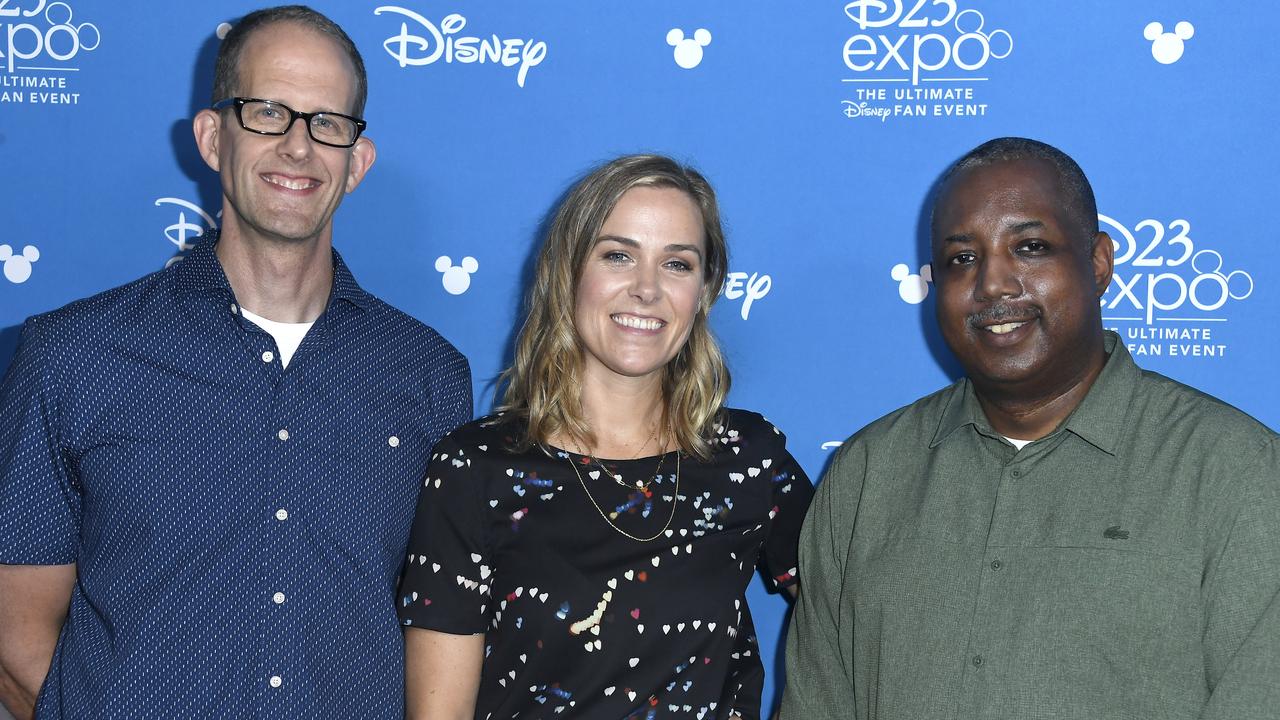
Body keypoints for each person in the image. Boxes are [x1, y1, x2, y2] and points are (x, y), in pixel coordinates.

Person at [0, 6, 471, 718]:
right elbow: (16, 634)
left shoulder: (429, 375)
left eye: (327, 123)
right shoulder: (72, 356)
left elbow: (441, 635)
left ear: (357, 162)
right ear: (212, 137)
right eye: (267, 113)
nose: (298, 146)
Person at [780, 137, 1280, 719]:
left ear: (1098, 263)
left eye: (1031, 247)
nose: (994, 285)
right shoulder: (867, 474)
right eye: (962, 259)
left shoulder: (1235, 472)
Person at [396, 154, 814, 719]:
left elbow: (858, 628)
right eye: (618, 256)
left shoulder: (749, 458)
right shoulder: (476, 469)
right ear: (568, 273)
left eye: (677, 264)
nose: (646, 290)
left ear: (705, 290)